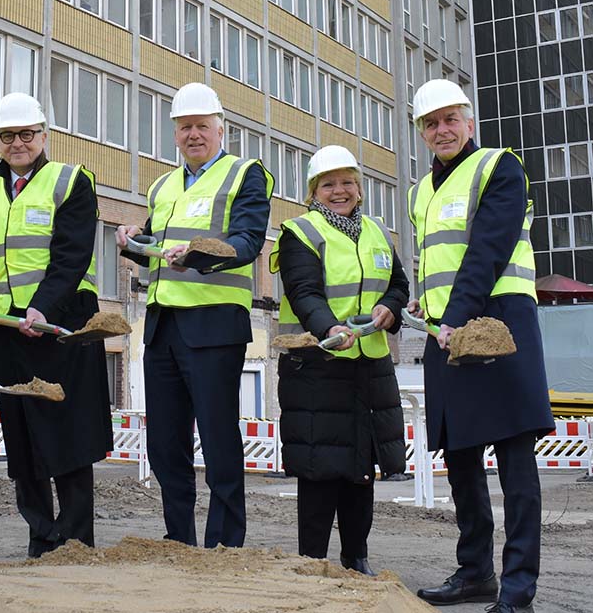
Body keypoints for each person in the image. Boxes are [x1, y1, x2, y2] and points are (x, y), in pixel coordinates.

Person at [408, 79, 554, 613]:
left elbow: (489, 249)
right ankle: (475, 574)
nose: (442, 130)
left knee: (515, 457)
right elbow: (437, 262)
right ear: (422, 133)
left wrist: (452, 315)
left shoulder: (499, 167)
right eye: (431, 123)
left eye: (451, 119)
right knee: (461, 454)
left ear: (469, 122)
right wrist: (431, 307)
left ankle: (518, 591)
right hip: (445, 331)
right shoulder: (419, 191)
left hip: (499, 324)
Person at [115, 82, 272, 548]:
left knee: (219, 438)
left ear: (220, 129)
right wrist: (131, 241)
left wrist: (199, 255)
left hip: (213, 327)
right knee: (165, 443)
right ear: (175, 133)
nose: (193, 134)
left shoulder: (245, 174)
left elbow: (247, 242)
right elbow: (154, 248)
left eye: (202, 126)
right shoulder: (163, 185)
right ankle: (178, 539)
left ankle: (223, 545)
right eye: (185, 127)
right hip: (162, 327)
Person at [0, 92, 113, 557]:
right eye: (8, 136)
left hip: (63, 325)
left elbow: (72, 253)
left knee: (69, 432)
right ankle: (40, 537)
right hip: (5, 328)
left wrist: (43, 308)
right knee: (23, 434)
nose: (18, 143)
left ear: (43, 135)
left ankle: (75, 541)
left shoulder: (70, 181)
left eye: (26, 134)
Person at [269, 145, 408, 576]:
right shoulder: (301, 233)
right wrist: (330, 328)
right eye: (328, 184)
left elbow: (398, 284)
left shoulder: (378, 232)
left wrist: (391, 306)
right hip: (317, 366)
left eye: (347, 182)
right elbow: (302, 291)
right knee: (320, 469)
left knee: (360, 467)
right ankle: (312, 560)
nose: (339, 190)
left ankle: (356, 557)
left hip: (369, 363)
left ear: (359, 188)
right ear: (314, 191)